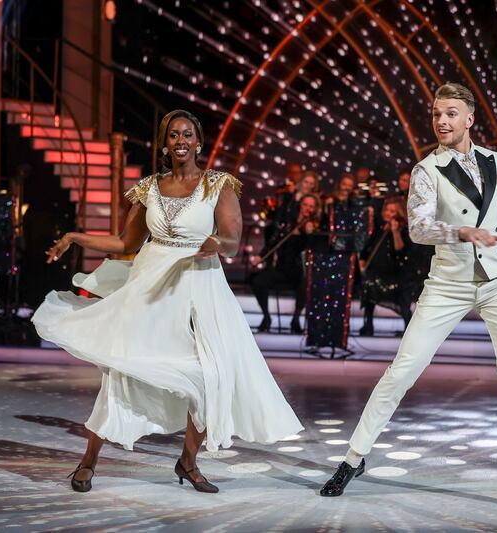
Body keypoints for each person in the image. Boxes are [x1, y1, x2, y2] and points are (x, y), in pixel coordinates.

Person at [319, 83, 497, 514]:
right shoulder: (427, 170)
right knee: (402, 371)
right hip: (449, 283)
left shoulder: (494, 160)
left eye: (451, 113)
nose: (442, 121)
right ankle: (353, 458)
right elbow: (418, 228)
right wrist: (458, 231)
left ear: (469, 118)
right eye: (437, 113)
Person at [33, 110, 303, 494]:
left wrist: (216, 245)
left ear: (198, 142)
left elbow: (232, 238)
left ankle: (188, 462)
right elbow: (125, 245)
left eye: (187, 134)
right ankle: (88, 460)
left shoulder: (217, 185)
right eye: (173, 135)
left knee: (212, 376)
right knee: (123, 372)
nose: (181, 141)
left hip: (199, 288)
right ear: (164, 144)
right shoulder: (148, 188)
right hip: (149, 287)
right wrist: (76, 236)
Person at [251, 194, 320, 333]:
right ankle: (266, 317)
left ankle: (296, 318)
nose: (308, 208)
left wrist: (309, 234)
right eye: (306, 205)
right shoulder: (288, 223)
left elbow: (313, 249)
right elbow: (273, 242)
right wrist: (260, 256)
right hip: (282, 269)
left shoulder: (314, 226)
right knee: (258, 281)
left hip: (300, 270)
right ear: (300, 205)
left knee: (306, 281)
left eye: (311, 206)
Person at [358, 197, 422, 336]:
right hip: (378, 273)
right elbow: (368, 247)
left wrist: (395, 232)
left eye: (392, 211)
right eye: (387, 210)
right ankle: (368, 325)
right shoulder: (379, 228)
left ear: (399, 213)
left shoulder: (405, 229)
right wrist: (362, 260)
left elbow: (401, 251)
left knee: (402, 297)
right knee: (369, 286)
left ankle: (408, 329)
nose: (388, 213)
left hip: (398, 275)